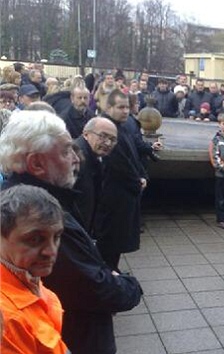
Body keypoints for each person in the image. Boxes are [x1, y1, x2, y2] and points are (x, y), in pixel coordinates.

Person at [0, 110, 143, 354]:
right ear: (36, 163)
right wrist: (129, 285)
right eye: (66, 150)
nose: (76, 157)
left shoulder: (40, 202)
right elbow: (92, 287)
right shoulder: (37, 218)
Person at [0, 185, 68, 354]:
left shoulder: (24, 278)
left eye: (57, 236)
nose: (51, 251)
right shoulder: (8, 320)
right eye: (35, 239)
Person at [94, 89, 148, 272]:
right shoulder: (108, 128)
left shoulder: (123, 126)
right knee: (110, 239)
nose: (126, 111)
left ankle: (112, 269)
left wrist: (142, 175)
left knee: (117, 240)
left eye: (127, 107)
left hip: (125, 192)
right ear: (109, 107)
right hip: (114, 195)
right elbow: (117, 163)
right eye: (121, 107)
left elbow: (133, 155)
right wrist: (136, 182)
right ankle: (108, 272)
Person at [74, 117, 118, 235]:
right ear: (86, 134)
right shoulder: (75, 160)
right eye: (102, 136)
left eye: (113, 139)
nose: (108, 143)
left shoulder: (92, 156)